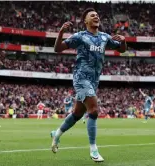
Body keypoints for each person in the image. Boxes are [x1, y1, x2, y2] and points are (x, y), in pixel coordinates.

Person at [51, 8, 126, 162]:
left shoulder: (105, 38)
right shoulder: (80, 36)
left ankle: (57, 133)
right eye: (92, 15)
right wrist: (60, 33)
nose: (96, 16)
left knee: (77, 114)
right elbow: (57, 49)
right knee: (94, 110)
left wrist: (124, 41)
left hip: (94, 81)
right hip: (81, 78)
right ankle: (93, 149)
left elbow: (122, 50)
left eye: (97, 14)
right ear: (86, 21)